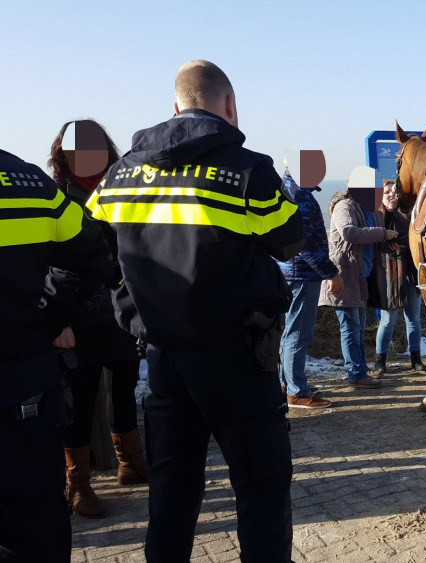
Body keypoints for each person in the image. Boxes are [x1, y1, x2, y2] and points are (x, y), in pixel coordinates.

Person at [85, 60, 304, 562]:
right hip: (239, 360)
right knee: (261, 490)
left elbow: (97, 251)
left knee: (171, 494)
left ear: (175, 107)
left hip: (162, 359)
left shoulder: (119, 175)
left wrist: (130, 308)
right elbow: (291, 241)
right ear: (230, 106)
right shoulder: (248, 170)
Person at [0, 148, 112, 561]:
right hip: (24, 391)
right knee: (38, 529)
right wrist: (46, 316)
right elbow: (90, 256)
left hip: (26, 385)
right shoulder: (25, 181)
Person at [48, 119, 147, 519]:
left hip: (121, 311)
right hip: (77, 317)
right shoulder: (54, 197)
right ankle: (78, 485)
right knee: (81, 401)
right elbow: (45, 265)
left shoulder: (119, 190)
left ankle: (132, 464)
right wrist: (57, 322)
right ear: (63, 155)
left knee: (124, 391)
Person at [277, 169, 343, 408]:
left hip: (290, 271)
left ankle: (288, 383)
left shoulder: (285, 187)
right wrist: (330, 272)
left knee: (289, 332)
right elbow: (304, 242)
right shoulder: (299, 194)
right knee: (299, 333)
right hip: (302, 273)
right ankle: (296, 391)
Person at [319, 187, 397, 389]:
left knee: (358, 328)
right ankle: (356, 374)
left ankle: (360, 369)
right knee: (351, 329)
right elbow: (348, 232)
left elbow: (372, 242)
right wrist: (383, 234)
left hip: (360, 277)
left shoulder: (368, 211)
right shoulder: (344, 206)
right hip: (344, 277)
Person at [372, 180, 426, 375]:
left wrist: (404, 242)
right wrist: (388, 243)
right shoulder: (376, 217)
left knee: (413, 318)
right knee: (388, 320)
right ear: (380, 196)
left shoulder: (409, 215)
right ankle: (380, 361)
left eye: (394, 192)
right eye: (387, 192)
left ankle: (416, 359)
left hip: (410, 274)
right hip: (388, 275)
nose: (391, 195)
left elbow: (419, 239)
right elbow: (371, 244)